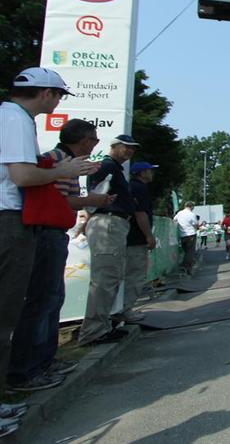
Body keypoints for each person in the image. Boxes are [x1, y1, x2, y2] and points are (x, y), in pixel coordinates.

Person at [7, 118, 110, 394]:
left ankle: (44, 361)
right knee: (42, 300)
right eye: (94, 139)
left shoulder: (66, 162)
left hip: (54, 232)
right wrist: (92, 201)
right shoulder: (57, 161)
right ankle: (25, 370)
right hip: (46, 233)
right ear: (83, 140)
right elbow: (59, 200)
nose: (96, 144)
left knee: (52, 299)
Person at [78, 134, 146, 346]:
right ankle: (94, 331)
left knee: (111, 276)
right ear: (114, 146)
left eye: (132, 148)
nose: (129, 151)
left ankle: (102, 326)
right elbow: (94, 195)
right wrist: (89, 216)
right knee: (105, 278)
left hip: (112, 223)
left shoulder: (114, 168)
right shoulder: (107, 166)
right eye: (126, 147)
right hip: (107, 223)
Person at [121, 162, 158, 321]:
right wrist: (149, 236)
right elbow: (140, 213)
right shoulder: (139, 188)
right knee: (135, 275)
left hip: (129, 237)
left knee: (129, 274)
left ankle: (122, 309)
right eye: (150, 171)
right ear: (142, 173)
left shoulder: (132, 186)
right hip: (135, 238)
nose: (152, 173)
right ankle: (125, 310)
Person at [173, 201, 199, 275]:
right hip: (191, 234)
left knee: (186, 251)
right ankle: (187, 268)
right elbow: (196, 224)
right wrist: (196, 228)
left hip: (182, 235)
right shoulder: (192, 214)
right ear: (192, 207)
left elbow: (174, 220)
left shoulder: (179, 213)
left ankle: (184, 265)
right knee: (190, 252)